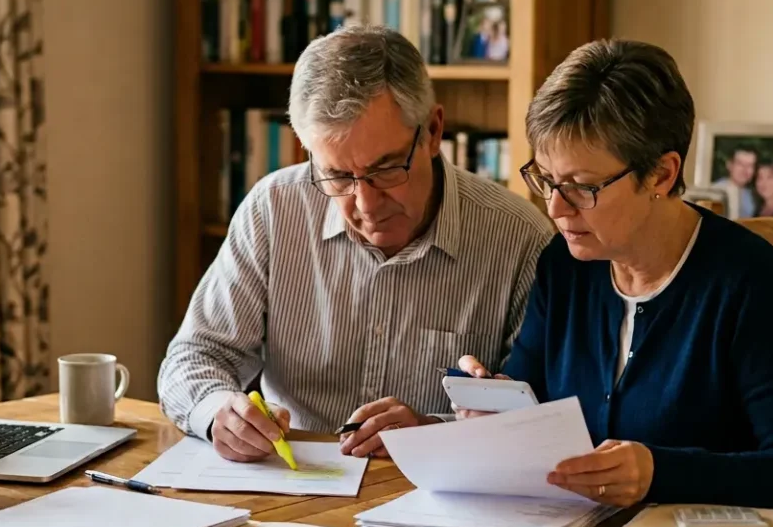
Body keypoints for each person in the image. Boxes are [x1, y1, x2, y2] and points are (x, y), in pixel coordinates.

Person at [454, 39, 773, 510]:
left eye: (581, 187)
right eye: (545, 180)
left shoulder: (748, 281)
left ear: (661, 174)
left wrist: (660, 472)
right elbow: (532, 403)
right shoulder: (564, 264)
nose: (555, 208)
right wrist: (495, 408)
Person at [157, 24, 553, 463]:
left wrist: (431, 432)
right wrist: (218, 414)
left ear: (434, 131)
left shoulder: (519, 240)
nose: (364, 203)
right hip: (292, 492)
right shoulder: (275, 209)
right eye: (338, 176)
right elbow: (196, 355)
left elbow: (537, 417)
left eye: (385, 170)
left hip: (434, 500)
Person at [711, 145, 757, 218]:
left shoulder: (752, 195)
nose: (745, 170)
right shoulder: (715, 192)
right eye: (740, 164)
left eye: (750, 165)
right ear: (729, 165)